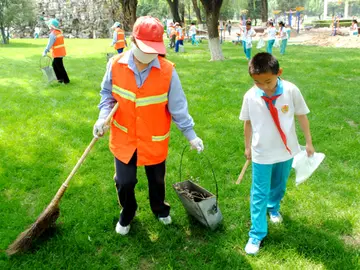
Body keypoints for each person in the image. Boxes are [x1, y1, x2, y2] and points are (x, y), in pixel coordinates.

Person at [93, 16, 204, 235]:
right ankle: (128, 211)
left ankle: (160, 208)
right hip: (125, 138)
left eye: (154, 48)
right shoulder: (115, 64)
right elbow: (107, 95)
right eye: (145, 48)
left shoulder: (168, 71)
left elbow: (178, 107)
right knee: (124, 182)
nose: (150, 54)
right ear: (133, 41)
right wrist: (101, 117)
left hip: (154, 138)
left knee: (156, 180)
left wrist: (191, 135)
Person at [239, 52, 315, 255]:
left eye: (268, 81)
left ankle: (273, 207)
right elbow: (248, 123)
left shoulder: (291, 90)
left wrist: (308, 142)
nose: (264, 86)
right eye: (257, 82)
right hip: (261, 153)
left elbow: (302, 116)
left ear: (278, 72)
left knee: (279, 185)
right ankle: (256, 234)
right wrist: (247, 147)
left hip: (286, 150)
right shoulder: (250, 96)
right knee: (258, 193)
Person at [42, 19, 70, 84]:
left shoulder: (53, 34)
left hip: (57, 53)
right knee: (55, 65)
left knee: (60, 67)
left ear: (51, 26)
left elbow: (49, 44)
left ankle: (66, 81)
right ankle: (60, 79)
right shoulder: (58, 32)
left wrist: (45, 51)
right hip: (61, 52)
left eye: (49, 25)